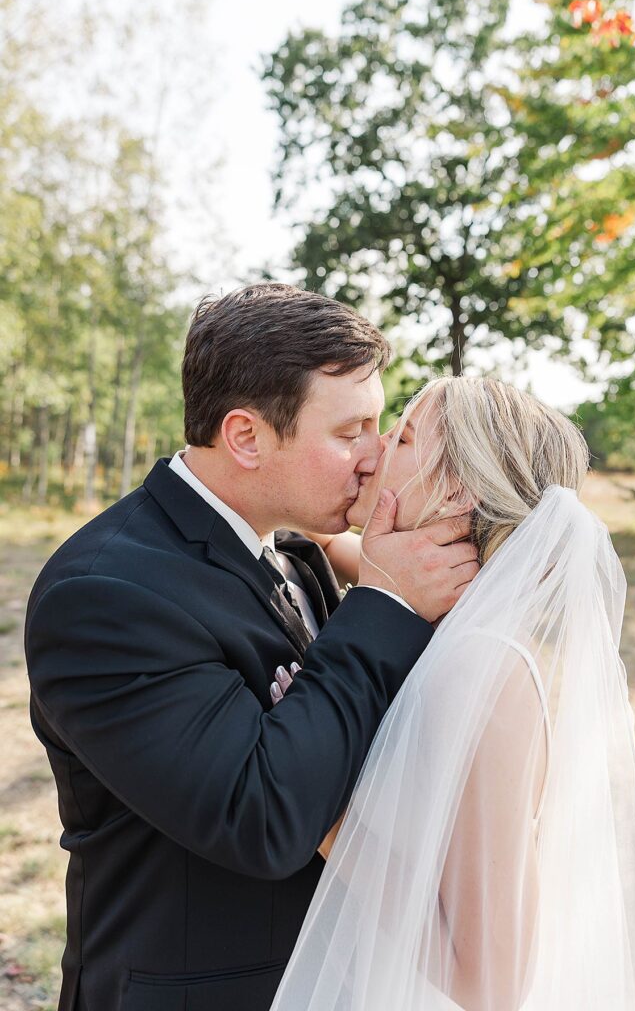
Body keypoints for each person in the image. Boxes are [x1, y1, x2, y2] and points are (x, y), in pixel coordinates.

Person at [23, 284, 479, 1011]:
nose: (375, 456)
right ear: (245, 437)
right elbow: (262, 820)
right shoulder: (105, 595)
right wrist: (387, 604)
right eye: (350, 432)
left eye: (380, 425)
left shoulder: (295, 552)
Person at [270, 376, 635, 1011]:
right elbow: (351, 554)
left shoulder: (483, 672)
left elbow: (490, 983)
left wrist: (325, 815)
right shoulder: (432, 620)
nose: (374, 448)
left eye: (402, 437)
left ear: (455, 491)